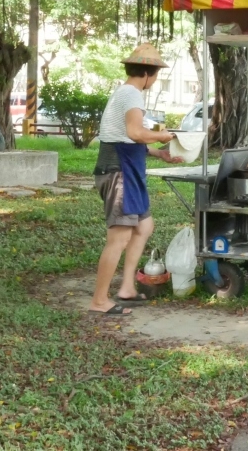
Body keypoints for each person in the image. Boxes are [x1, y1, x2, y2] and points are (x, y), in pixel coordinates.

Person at [89, 43, 183, 315]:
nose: (154, 80)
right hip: (119, 173)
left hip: (128, 168)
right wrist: (164, 136)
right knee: (118, 237)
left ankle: (127, 287)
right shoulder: (132, 95)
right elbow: (134, 132)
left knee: (144, 226)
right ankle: (99, 300)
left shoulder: (124, 93)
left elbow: (127, 137)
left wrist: (159, 153)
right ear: (149, 73)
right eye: (156, 75)